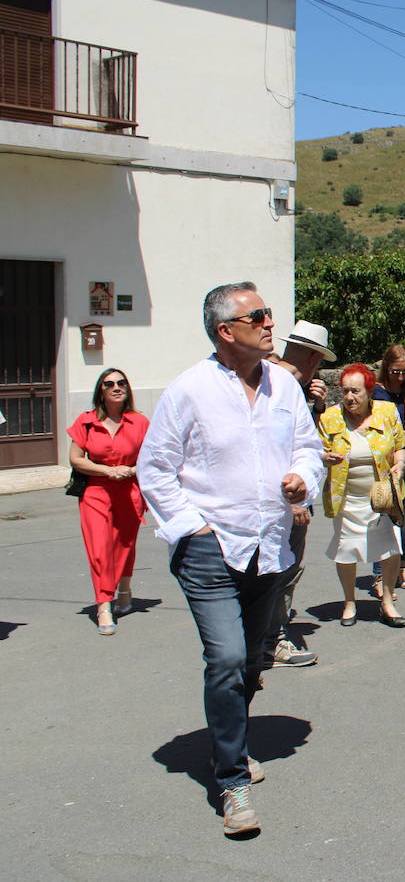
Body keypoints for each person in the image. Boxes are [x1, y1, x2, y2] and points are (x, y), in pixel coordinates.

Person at [137, 282, 323, 835]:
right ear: (226, 331)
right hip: (211, 549)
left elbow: (308, 449)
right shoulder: (188, 391)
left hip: (270, 546)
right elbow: (155, 470)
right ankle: (231, 781)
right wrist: (193, 531)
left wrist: (302, 480)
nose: (271, 324)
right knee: (223, 660)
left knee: (248, 662)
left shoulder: (284, 388)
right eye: (259, 316)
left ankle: (232, 742)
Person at [260, 320, 335, 669]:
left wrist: (316, 408)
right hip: (284, 500)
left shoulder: (279, 384)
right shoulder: (281, 385)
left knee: (278, 569)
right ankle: (273, 639)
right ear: (311, 359)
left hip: (285, 497)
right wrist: (296, 502)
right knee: (281, 569)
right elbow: (275, 453)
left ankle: (268, 634)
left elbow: (304, 444)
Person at [318, 363, 405, 628]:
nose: (349, 398)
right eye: (345, 391)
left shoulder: (386, 411)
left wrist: (399, 464)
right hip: (346, 498)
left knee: (391, 550)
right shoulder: (330, 418)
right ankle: (349, 602)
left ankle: (388, 601)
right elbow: (315, 450)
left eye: (355, 391)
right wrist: (325, 457)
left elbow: (400, 444)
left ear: (369, 391)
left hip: (380, 498)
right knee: (345, 549)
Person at [68, 368, 150, 636]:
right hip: (96, 490)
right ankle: (104, 605)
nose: (117, 387)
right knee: (100, 549)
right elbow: (76, 458)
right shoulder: (86, 421)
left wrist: (133, 470)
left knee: (125, 545)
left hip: (130, 489)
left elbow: (153, 456)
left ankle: (124, 590)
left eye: (122, 382)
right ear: (100, 392)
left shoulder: (139, 422)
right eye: (110, 384)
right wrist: (107, 471)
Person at [373, 345, 405, 591]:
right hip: (384, 464)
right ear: (386, 368)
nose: (401, 377)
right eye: (396, 372)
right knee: (383, 516)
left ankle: (402, 565)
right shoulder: (375, 392)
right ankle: (380, 573)